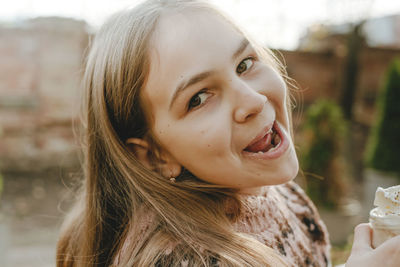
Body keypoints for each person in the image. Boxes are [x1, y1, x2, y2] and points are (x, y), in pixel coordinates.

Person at [56, 0, 400, 266]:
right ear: (154, 156)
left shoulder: (278, 194)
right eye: (199, 98)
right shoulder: (180, 259)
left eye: (245, 64)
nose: (252, 99)